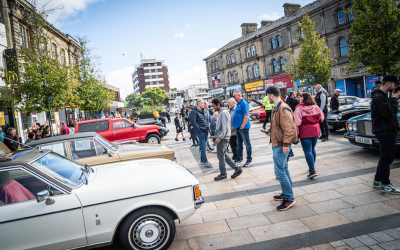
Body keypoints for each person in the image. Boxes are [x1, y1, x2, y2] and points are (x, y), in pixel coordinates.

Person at [264, 86, 298, 211]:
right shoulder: (277, 108)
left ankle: (289, 198)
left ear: (271, 95)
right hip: (278, 143)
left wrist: (285, 144)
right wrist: (270, 131)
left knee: (279, 172)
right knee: (284, 169)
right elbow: (279, 126)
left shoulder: (282, 108)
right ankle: (286, 193)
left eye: (267, 96)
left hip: (281, 145)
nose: (267, 98)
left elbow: (289, 129)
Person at [371, 74, 400, 194]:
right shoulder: (378, 98)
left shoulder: (382, 96)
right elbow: (389, 113)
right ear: (388, 84)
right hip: (385, 132)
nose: (396, 88)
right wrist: (394, 99)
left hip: (387, 130)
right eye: (395, 85)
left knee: (384, 157)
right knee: (387, 158)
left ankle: (378, 180)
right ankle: (385, 184)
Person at [294, 92, 324, 179]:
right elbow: (322, 118)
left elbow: (296, 123)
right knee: (312, 149)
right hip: (315, 130)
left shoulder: (299, 109)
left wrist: (296, 134)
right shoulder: (316, 107)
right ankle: (312, 167)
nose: (299, 98)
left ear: (304, 98)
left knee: (307, 151)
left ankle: (312, 170)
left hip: (305, 132)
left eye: (300, 97)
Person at [211, 98, 242, 181]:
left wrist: (219, 138)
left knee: (220, 156)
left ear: (218, 104)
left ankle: (223, 174)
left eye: (214, 106)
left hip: (223, 138)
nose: (213, 108)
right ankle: (237, 169)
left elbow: (225, 127)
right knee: (224, 155)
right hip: (222, 137)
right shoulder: (222, 112)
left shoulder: (224, 113)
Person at [232, 90, 252, 167]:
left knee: (247, 143)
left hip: (243, 128)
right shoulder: (238, 104)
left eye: (234, 96)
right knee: (239, 144)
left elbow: (246, 116)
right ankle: (239, 158)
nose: (233, 98)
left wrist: (242, 126)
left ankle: (249, 159)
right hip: (238, 127)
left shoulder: (243, 103)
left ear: (239, 95)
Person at [190, 99, 212, 167]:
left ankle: (202, 160)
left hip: (206, 130)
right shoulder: (193, 112)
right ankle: (205, 161)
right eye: (202, 103)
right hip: (201, 131)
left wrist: (208, 128)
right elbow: (193, 122)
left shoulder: (205, 111)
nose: (204, 104)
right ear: (198, 104)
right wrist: (198, 130)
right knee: (203, 146)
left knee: (204, 146)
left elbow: (207, 120)